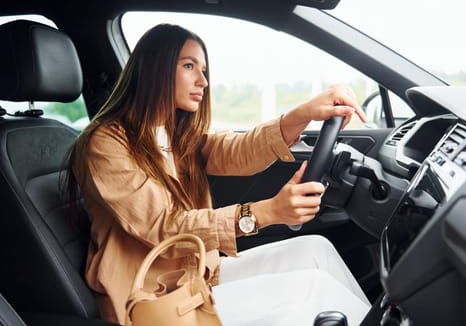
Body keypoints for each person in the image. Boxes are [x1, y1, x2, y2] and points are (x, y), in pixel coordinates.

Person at [67, 23, 371, 326]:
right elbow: (164, 227)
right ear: (154, 69)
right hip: (154, 301)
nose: (203, 81)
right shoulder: (105, 144)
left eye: (204, 70)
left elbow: (238, 151)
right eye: (189, 66)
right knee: (313, 289)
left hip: (196, 275)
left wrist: (303, 113)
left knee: (316, 249)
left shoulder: (174, 134)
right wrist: (266, 212)